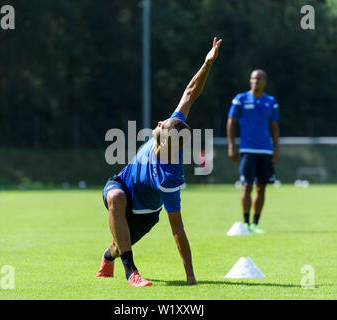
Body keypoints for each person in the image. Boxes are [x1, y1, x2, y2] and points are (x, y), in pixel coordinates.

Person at [96, 38, 222, 286]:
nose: (160, 123)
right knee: (116, 198)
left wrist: (190, 276)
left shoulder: (168, 179)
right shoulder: (172, 132)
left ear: (166, 142)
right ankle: (131, 272)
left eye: (163, 126)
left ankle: (108, 257)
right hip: (120, 185)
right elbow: (190, 93)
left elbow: (177, 229)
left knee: (118, 245)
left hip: (146, 213)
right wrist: (207, 63)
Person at [226, 70, 279, 234]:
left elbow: (274, 127)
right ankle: (245, 222)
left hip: (265, 150)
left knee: (261, 187)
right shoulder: (240, 99)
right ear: (250, 81)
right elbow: (231, 122)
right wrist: (231, 145)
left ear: (265, 82)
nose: (255, 81)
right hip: (247, 149)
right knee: (247, 186)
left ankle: (255, 223)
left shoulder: (271, 102)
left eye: (259, 78)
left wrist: (276, 149)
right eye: (253, 78)